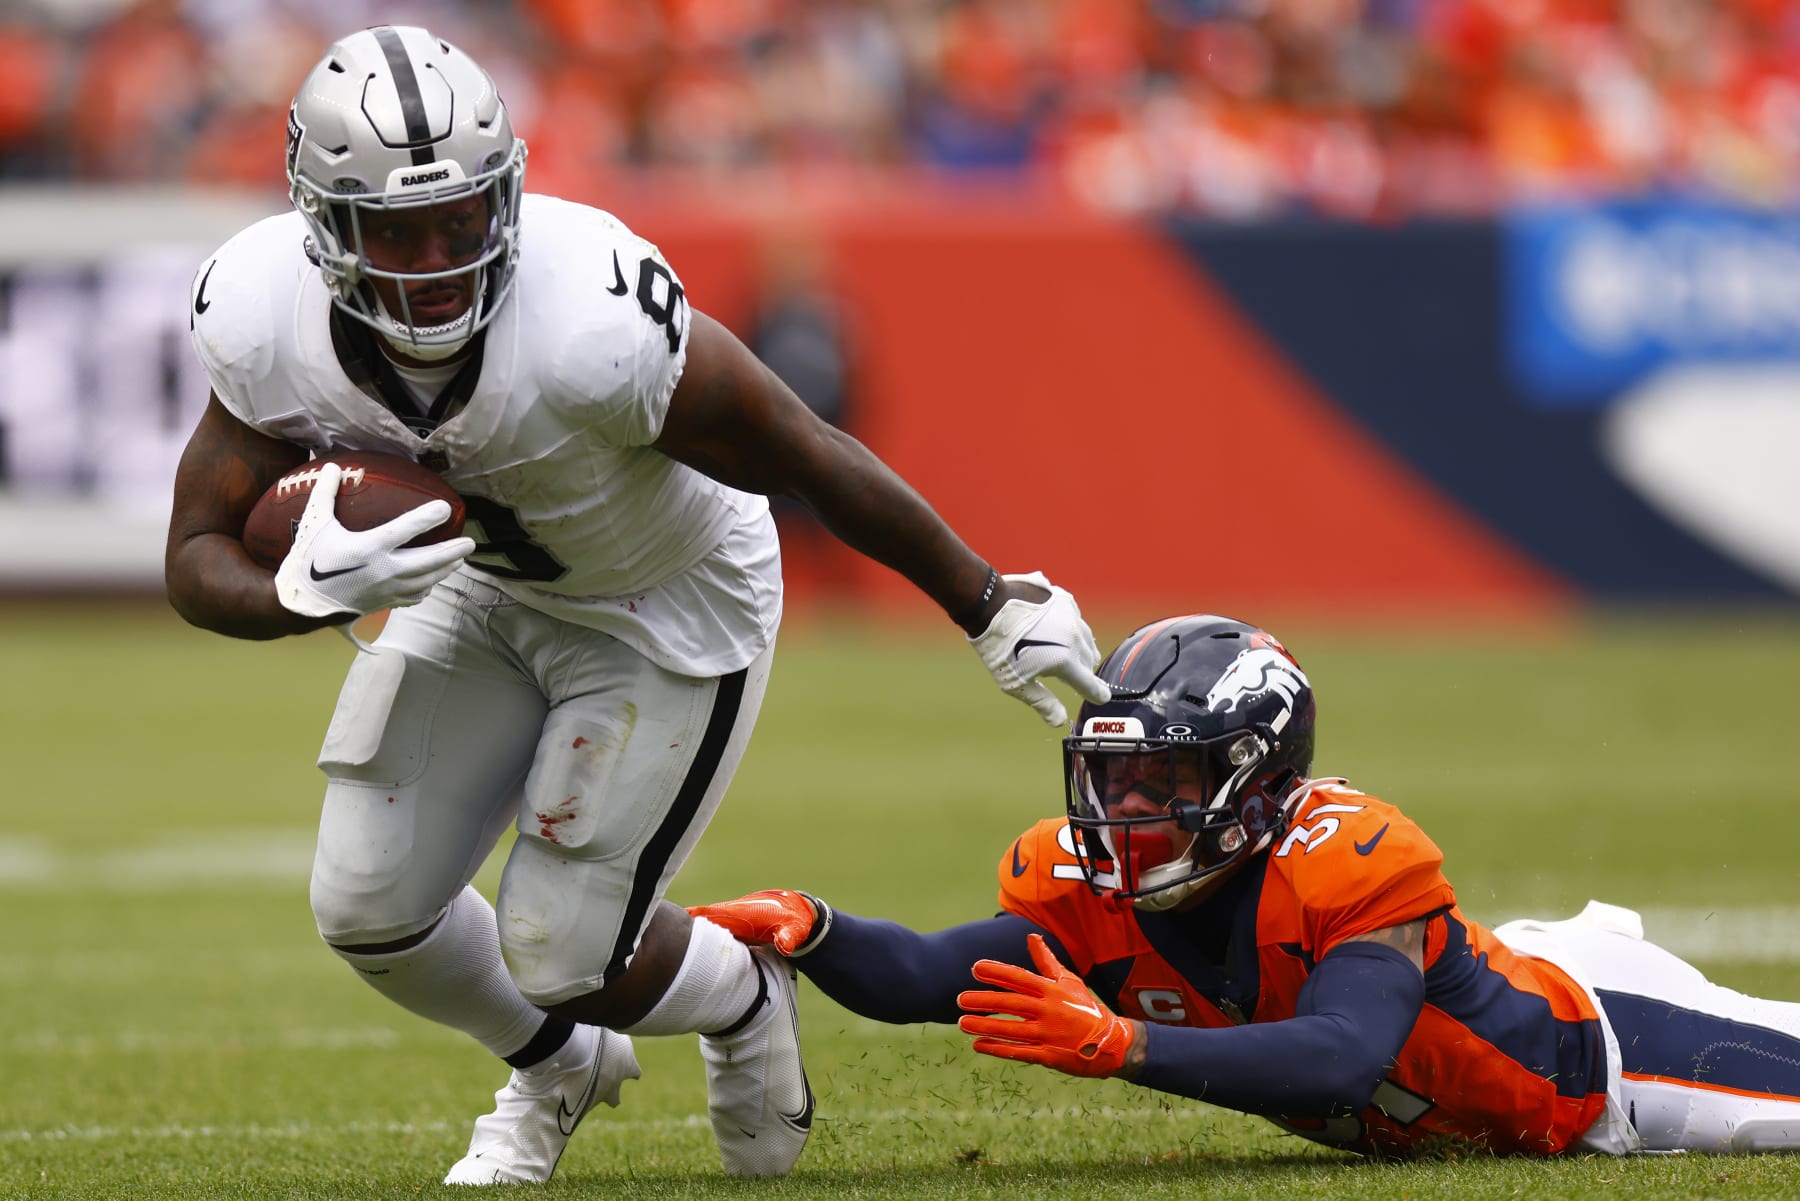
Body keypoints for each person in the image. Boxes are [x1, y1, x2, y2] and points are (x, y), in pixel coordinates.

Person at [164, 25, 1107, 1186]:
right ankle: (556, 1064)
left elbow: (801, 447)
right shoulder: (264, 317)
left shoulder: (591, 322)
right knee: (366, 903)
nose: (433, 258)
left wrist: (985, 601)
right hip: (489, 593)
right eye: (394, 230)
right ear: (322, 230)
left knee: (564, 946)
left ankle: (741, 988)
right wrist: (299, 595)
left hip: (666, 601)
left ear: (505, 194)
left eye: (459, 219)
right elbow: (197, 553)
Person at [694, 613, 1800, 1158]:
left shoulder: (1347, 857)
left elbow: (1344, 1051)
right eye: (1113, 779)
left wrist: (1125, 1046)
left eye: (1161, 780)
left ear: (1257, 781)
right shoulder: (1092, 882)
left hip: (1608, 1057)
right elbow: (940, 974)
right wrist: (817, 928)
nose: (1125, 813)